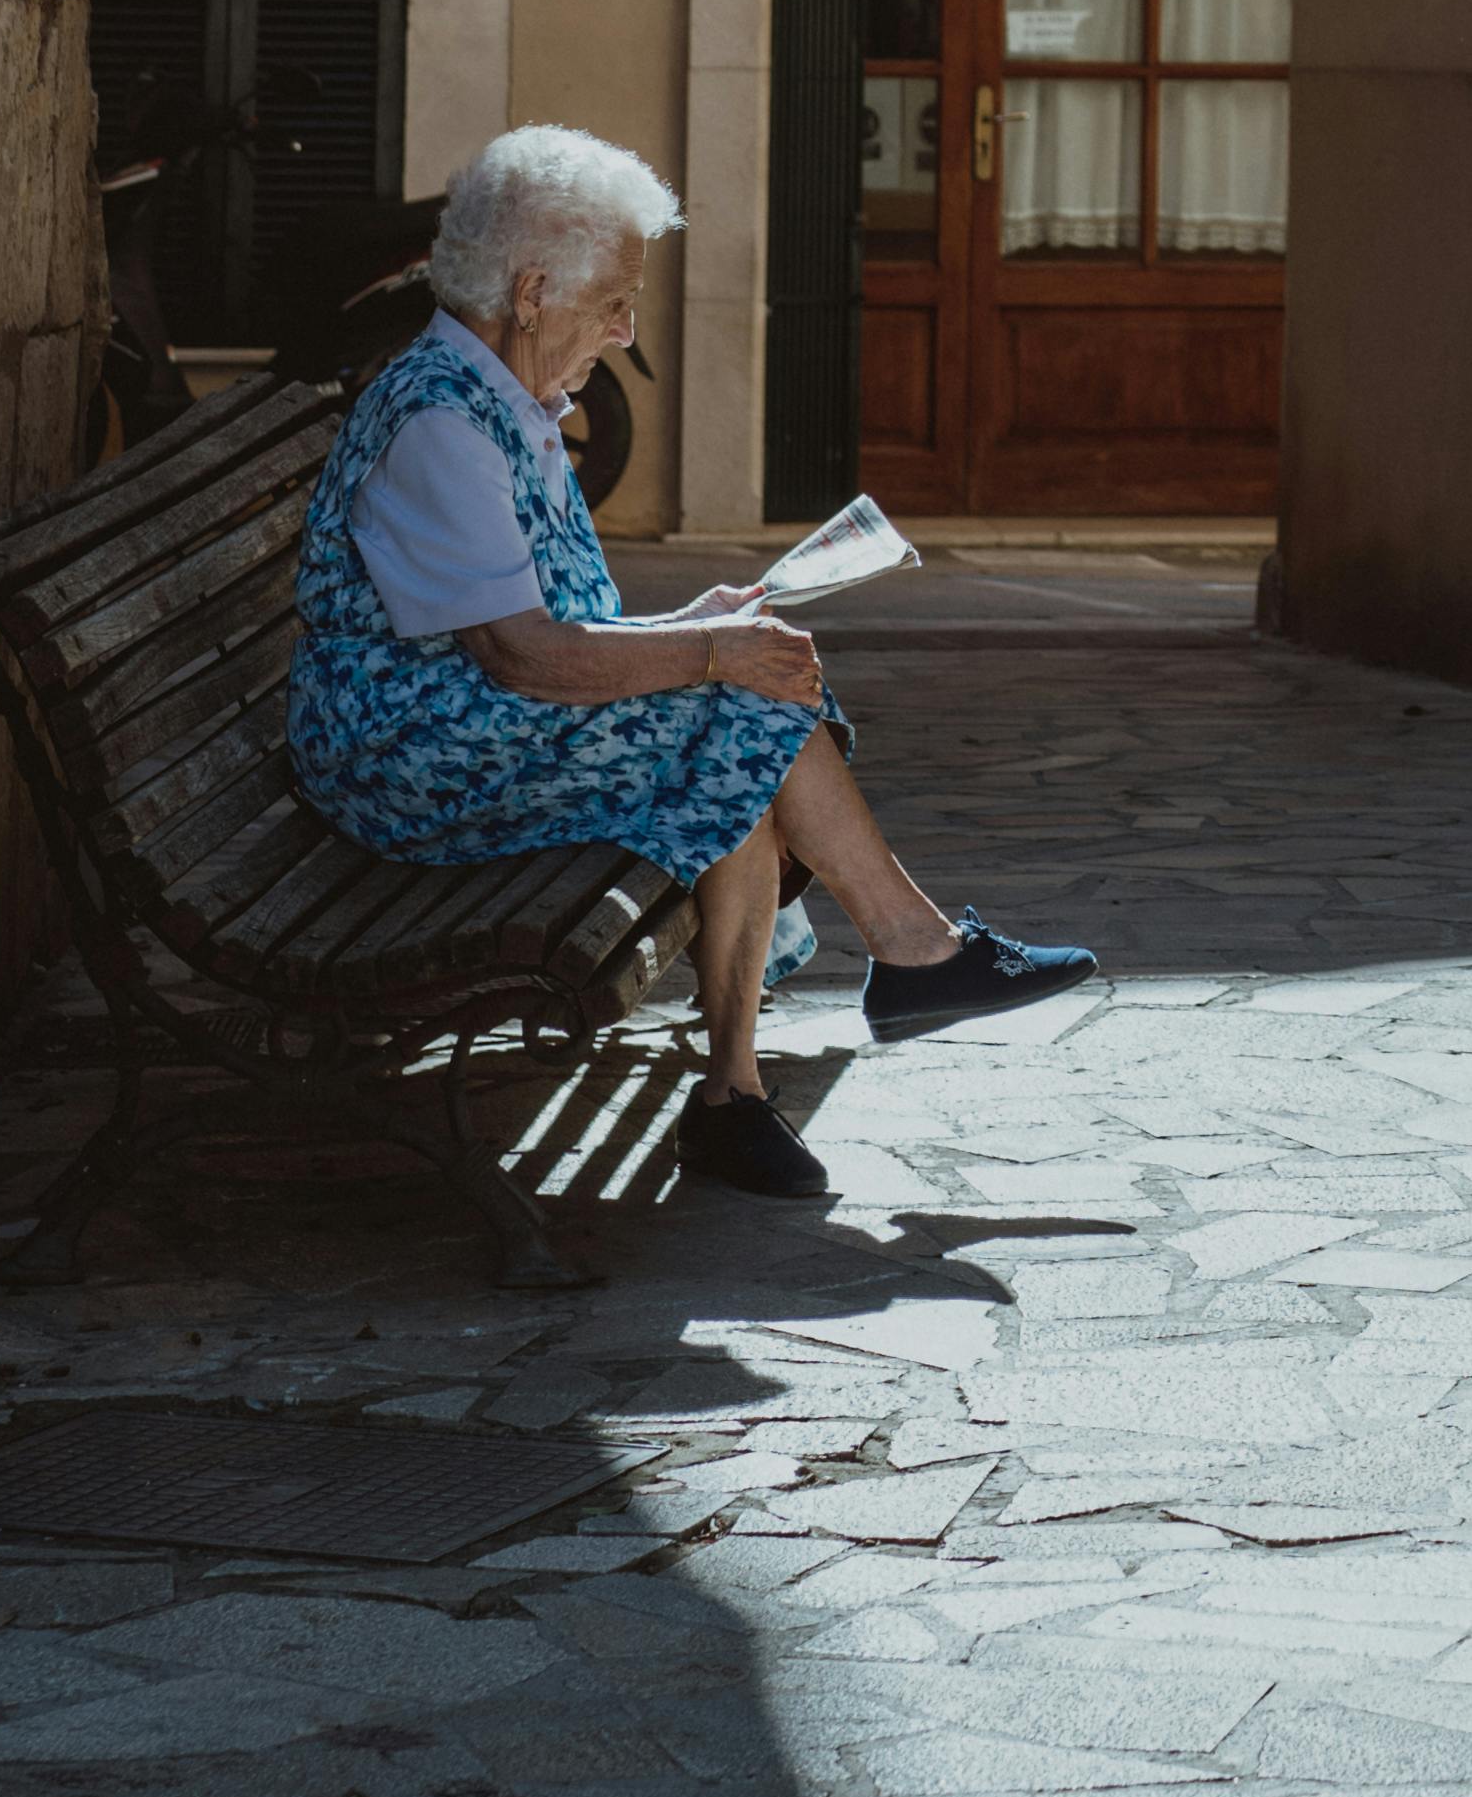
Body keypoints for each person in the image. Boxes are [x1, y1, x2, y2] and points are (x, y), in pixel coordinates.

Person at [286, 125, 1090, 1200]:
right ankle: (882, 973)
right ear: (530, 290)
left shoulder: (496, 394)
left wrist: (695, 627)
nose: (624, 328)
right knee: (742, 698)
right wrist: (703, 648)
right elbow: (525, 654)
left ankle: (779, 1058)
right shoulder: (443, 420)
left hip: (460, 719)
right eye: (614, 298)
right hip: (404, 760)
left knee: (743, 683)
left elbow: (529, 632)